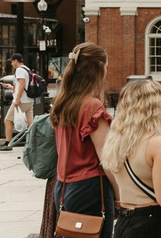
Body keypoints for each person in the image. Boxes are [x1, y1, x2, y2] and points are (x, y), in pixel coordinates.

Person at [102, 79, 161, 237]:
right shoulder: (159, 145)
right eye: (160, 98)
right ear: (152, 106)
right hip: (154, 224)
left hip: (125, 222)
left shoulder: (115, 141)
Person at [50, 43, 117, 238]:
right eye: (106, 66)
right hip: (90, 187)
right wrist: (120, 193)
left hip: (63, 187)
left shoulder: (62, 103)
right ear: (98, 68)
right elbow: (106, 158)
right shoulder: (92, 105)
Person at [0, 53, 34, 151]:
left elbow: (22, 85)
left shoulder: (20, 70)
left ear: (16, 60)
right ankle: (35, 142)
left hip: (21, 101)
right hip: (29, 100)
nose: (12, 64)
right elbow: (23, 86)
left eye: (12, 61)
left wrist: (16, 100)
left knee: (8, 120)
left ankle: (8, 143)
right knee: (31, 124)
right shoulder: (27, 69)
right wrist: (11, 87)